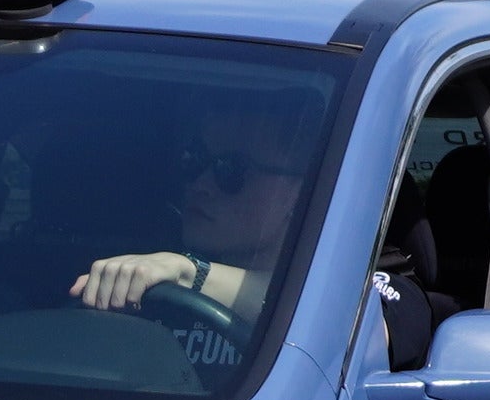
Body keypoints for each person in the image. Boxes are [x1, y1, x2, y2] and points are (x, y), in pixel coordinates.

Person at [71, 108, 312, 323]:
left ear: (298, 191)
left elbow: (306, 308)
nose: (200, 184)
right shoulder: (137, 271)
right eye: (195, 158)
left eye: (231, 168)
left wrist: (189, 272)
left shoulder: (336, 302)